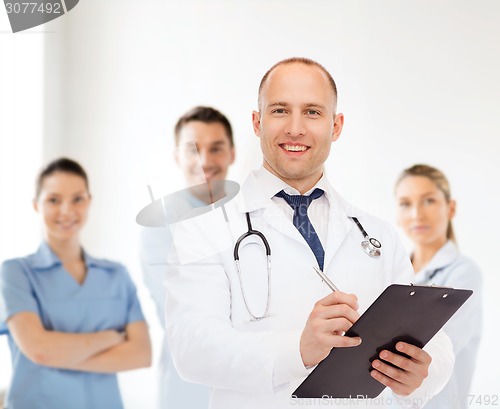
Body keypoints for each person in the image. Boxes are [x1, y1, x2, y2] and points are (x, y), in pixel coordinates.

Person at [163, 58, 454, 409]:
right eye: (280, 110)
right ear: (257, 122)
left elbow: (431, 338)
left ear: (336, 125)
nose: (295, 129)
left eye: (313, 112)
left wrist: (423, 373)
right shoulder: (204, 230)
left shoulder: (377, 235)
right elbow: (192, 349)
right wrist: (298, 349)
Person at [0, 158, 151, 409]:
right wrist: (110, 338)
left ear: (89, 202)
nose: (67, 210)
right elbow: (39, 350)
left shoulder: (116, 275)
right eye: (54, 200)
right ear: (36, 205)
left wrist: (56, 354)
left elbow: (141, 354)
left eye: (77, 199)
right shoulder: (16, 273)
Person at [140, 106, 235, 408]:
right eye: (193, 150)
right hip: (187, 392)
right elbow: (188, 309)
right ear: (177, 157)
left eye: (216, 148)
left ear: (231, 153)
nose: (205, 160)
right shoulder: (160, 225)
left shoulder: (252, 219)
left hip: (247, 386)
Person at [395, 164, 483, 409]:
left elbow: (435, 347)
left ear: (450, 208)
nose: (416, 214)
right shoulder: (396, 271)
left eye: (428, 201)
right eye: (405, 203)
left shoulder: (464, 274)